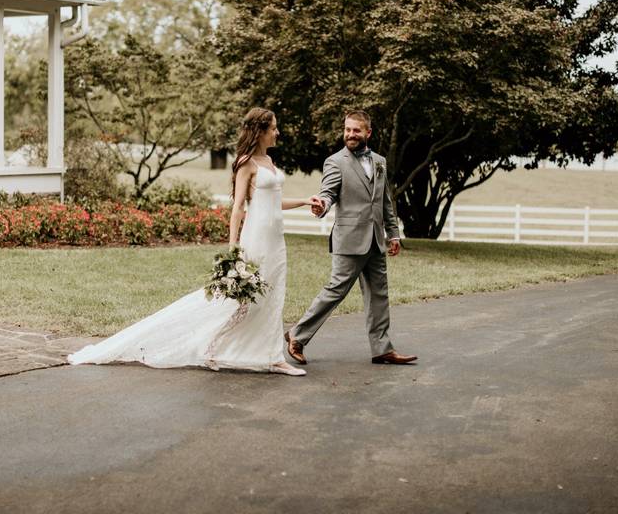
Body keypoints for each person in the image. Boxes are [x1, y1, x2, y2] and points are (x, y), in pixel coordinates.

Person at [68, 107, 319, 376]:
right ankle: (222, 348)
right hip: (256, 238)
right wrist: (233, 246)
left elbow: (274, 202)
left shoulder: (270, 162)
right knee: (242, 301)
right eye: (273, 128)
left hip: (276, 241)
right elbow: (237, 207)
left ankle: (270, 357)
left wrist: (305, 201)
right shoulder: (246, 163)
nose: (277, 132)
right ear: (260, 131)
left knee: (273, 295)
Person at [284, 110, 417, 366]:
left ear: (368, 132)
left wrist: (394, 234)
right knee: (336, 291)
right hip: (349, 239)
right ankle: (297, 336)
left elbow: (384, 201)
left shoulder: (379, 161)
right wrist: (321, 205)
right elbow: (328, 193)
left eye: (356, 130)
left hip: (376, 239)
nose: (350, 135)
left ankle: (382, 349)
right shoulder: (335, 162)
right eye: (347, 129)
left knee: (379, 295)